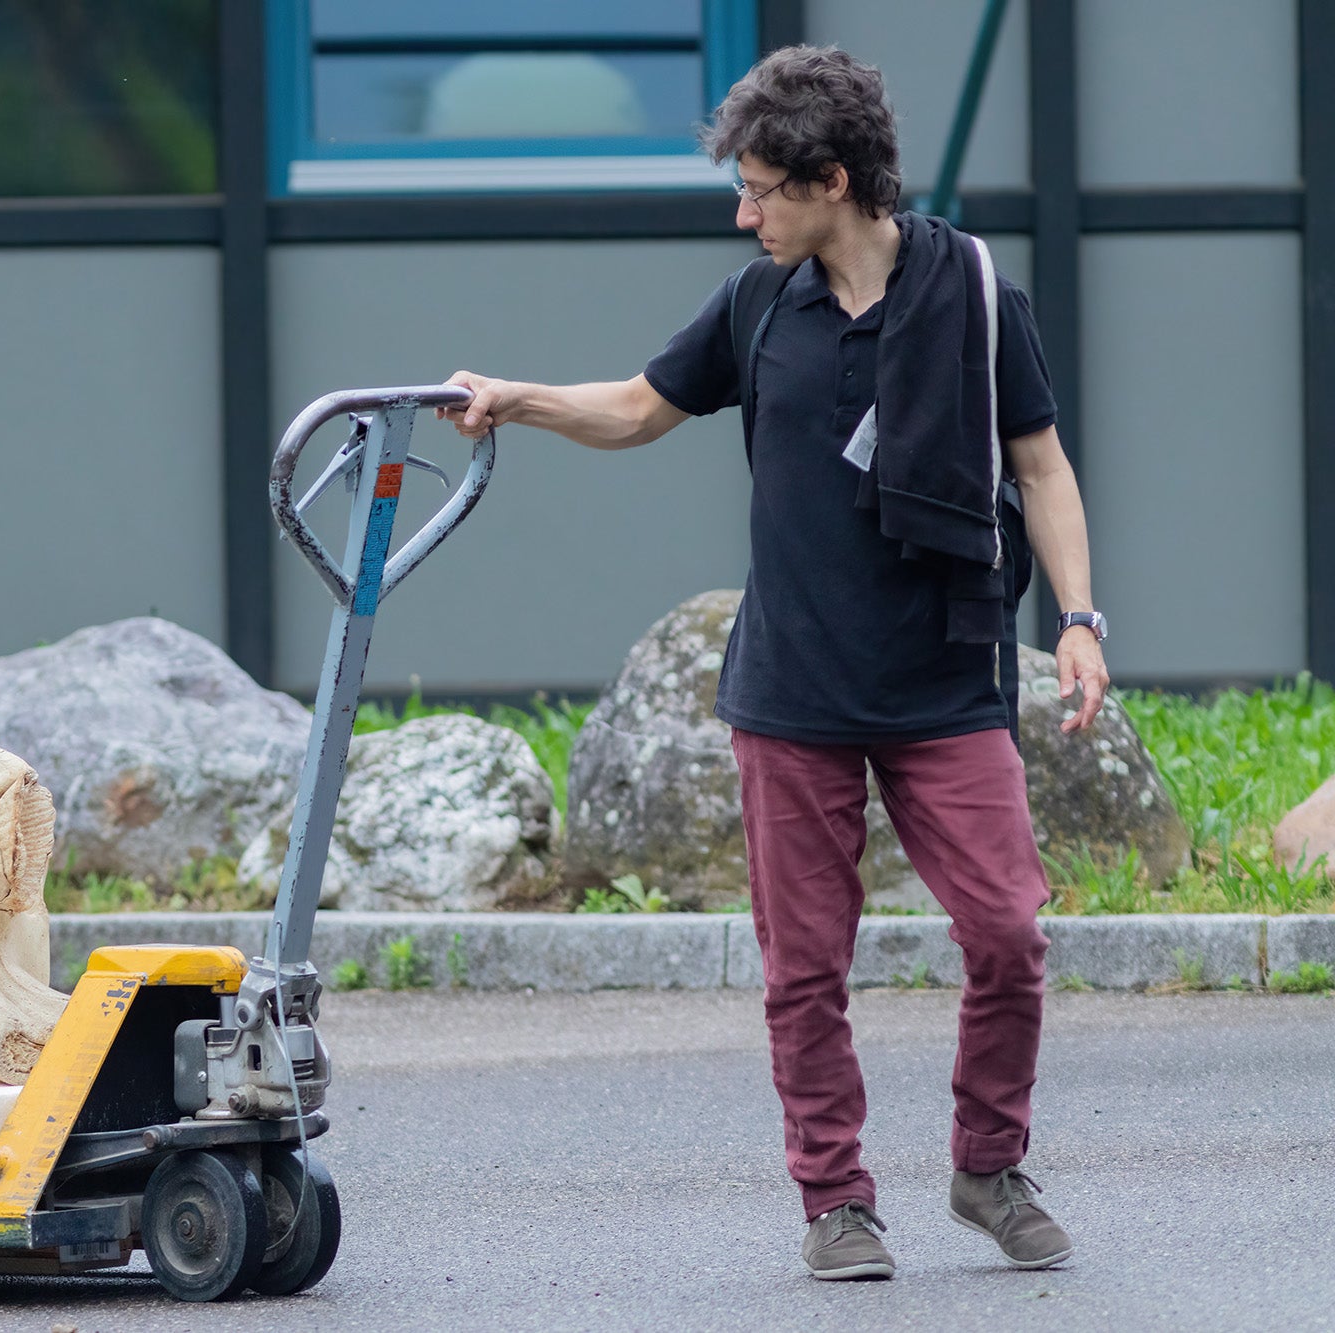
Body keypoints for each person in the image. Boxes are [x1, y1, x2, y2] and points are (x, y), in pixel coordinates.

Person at [439, 45, 1109, 1282]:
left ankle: (986, 1164)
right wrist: (517, 397)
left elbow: (1041, 467)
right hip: (793, 689)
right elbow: (638, 408)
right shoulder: (756, 304)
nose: (740, 213)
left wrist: (1075, 619)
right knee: (803, 970)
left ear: (830, 180)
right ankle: (834, 1199)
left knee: (1008, 934)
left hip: (946, 676)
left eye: (757, 189)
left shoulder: (970, 293)